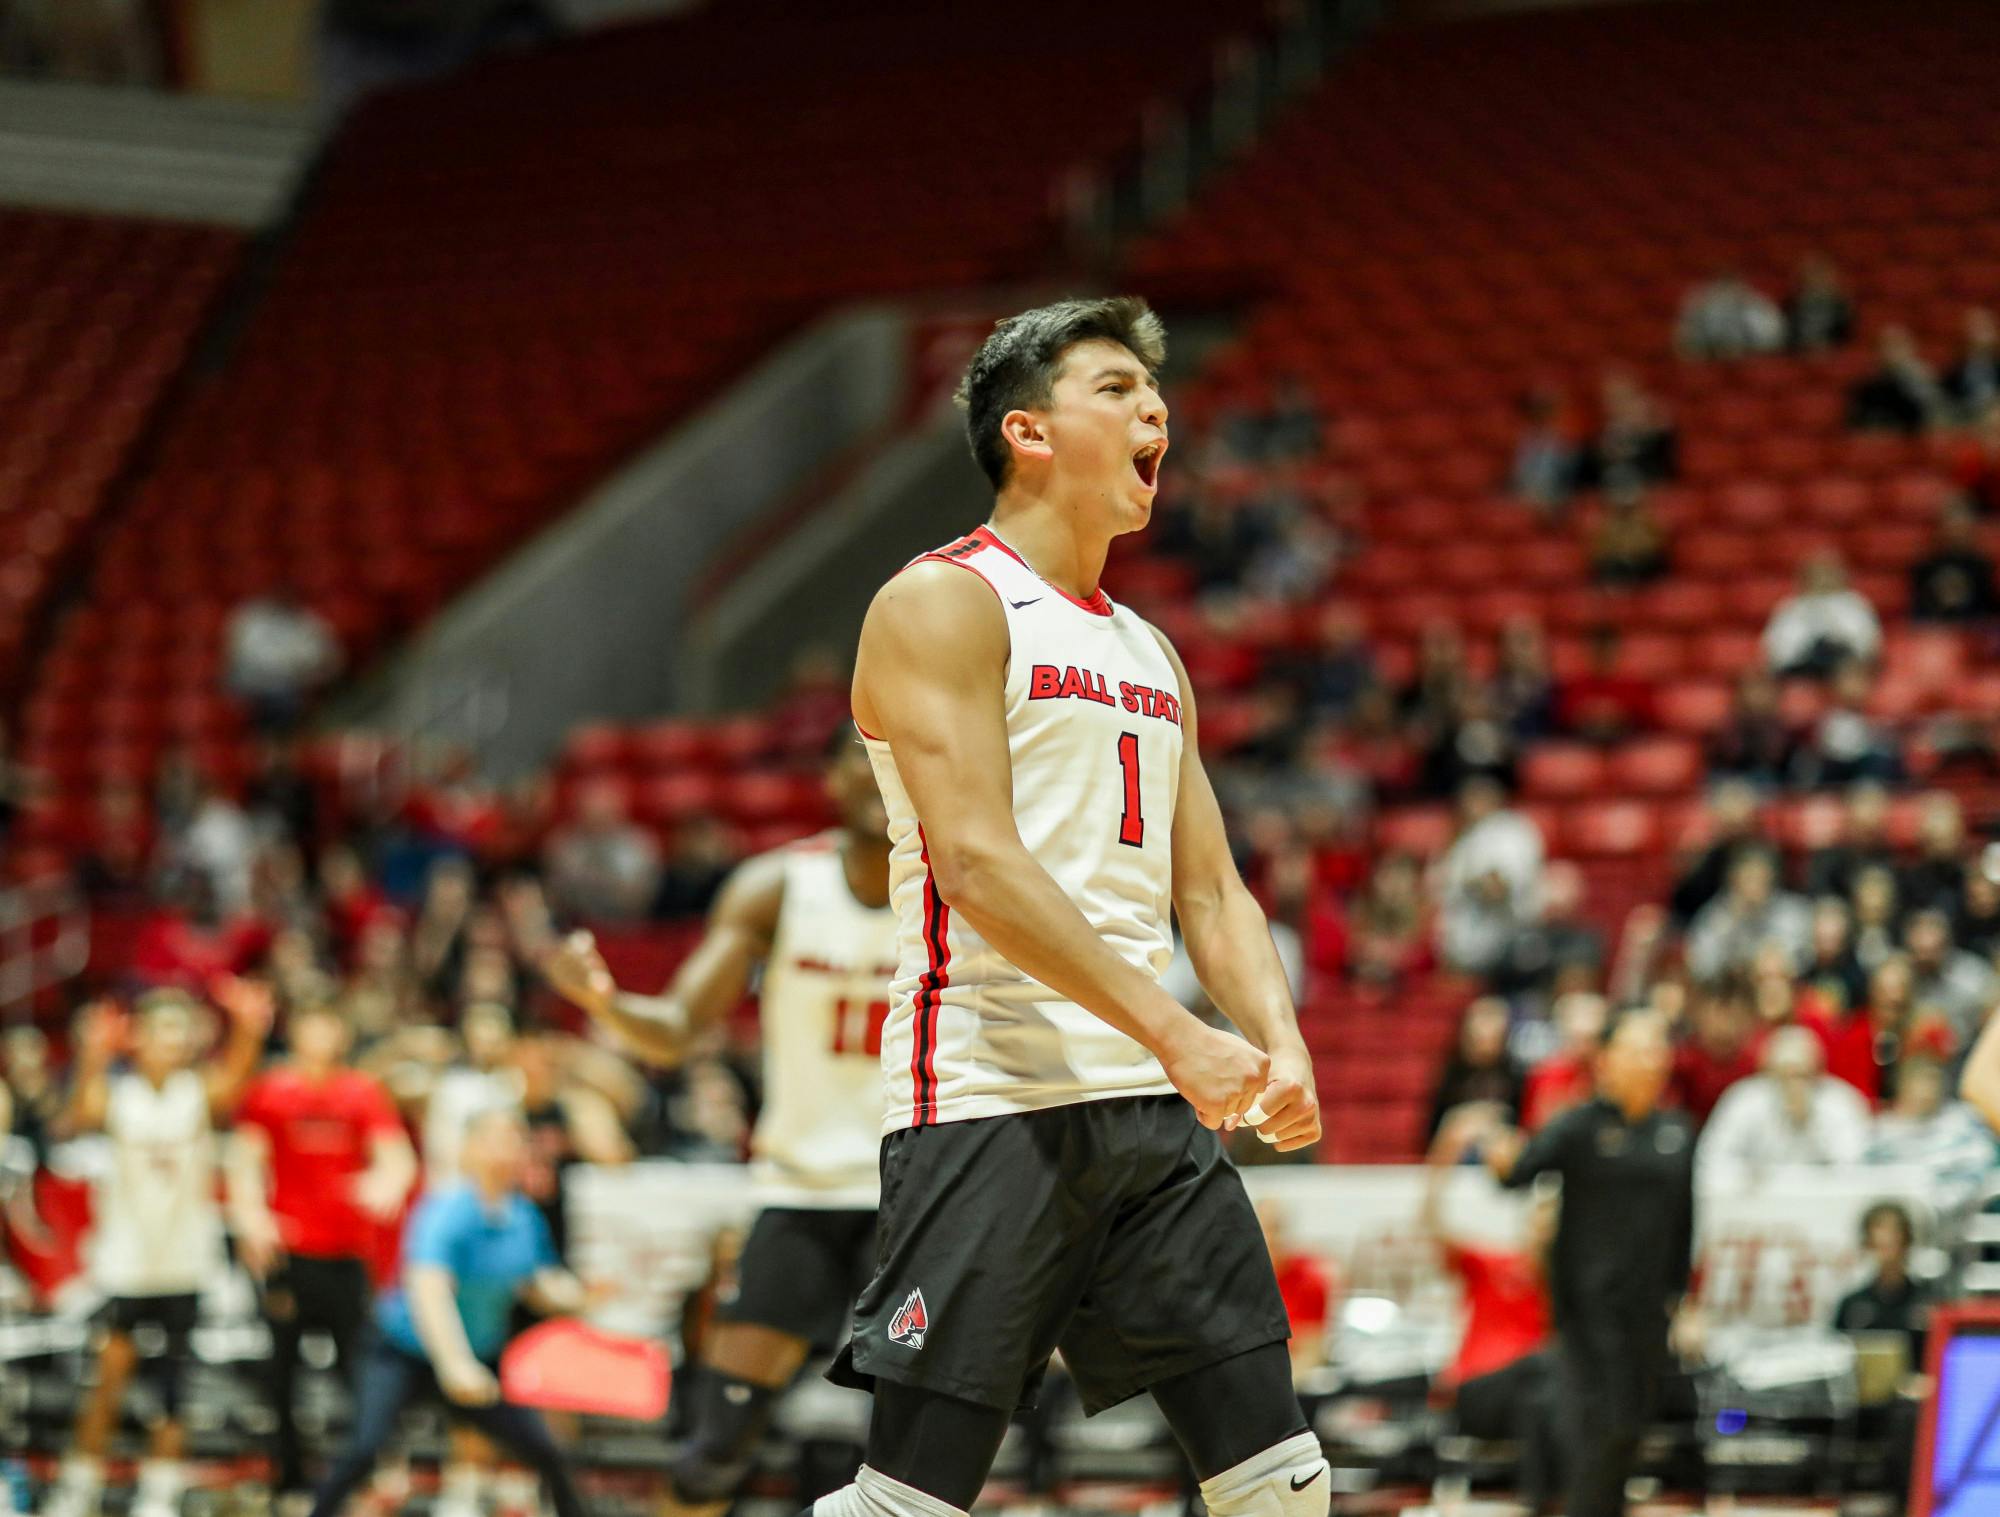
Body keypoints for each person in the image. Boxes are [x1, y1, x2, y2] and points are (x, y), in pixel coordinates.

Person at [816, 297, 1327, 1517]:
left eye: (1155, 390)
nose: (1156, 407)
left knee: (1284, 1485)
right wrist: (1177, 1028)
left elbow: (1208, 886)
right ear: (1027, 430)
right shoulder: (939, 600)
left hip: (1149, 1116)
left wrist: (1280, 1038)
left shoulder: (1151, 649)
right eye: (1116, 387)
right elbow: (979, 867)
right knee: (907, 1505)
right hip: (992, 1100)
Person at [543, 725, 898, 1517]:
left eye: (899, 755)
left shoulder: (962, 880)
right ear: (832, 777)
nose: (879, 773)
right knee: (717, 1442)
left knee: (923, 1455)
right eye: (862, 756)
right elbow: (675, 1023)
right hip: (800, 1188)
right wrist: (604, 1000)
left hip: (915, 1195)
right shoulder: (778, 885)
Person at [44, 982, 272, 1517]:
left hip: (184, 1264)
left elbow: (238, 1077)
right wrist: (93, 1055)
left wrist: (248, 1027)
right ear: (139, 1037)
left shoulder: (197, 1090)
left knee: (175, 1389)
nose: (174, 1039)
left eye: (181, 1028)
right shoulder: (120, 1094)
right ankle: (80, 1484)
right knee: (109, 1378)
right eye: (162, 1028)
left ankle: (161, 1490)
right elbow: (80, 1112)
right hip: (125, 1264)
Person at [304, 1106, 597, 1517]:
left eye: (515, 1138)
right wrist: (455, 1364)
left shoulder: (524, 1217)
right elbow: (428, 1289)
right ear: (470, 1149)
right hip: (402, 1352)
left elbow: (539, 1284)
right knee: (363, 1448)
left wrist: (582, 1296)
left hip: (479, 1359)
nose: (508, 1148)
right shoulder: (445, 1211)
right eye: (496, 1137)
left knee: (546, 1450)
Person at [1484, 1009, 1696, 1517]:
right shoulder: (1578, 1126)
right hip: (1586, 1314)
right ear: (1607, 1059)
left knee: (1631, 1430)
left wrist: (1686, 1300)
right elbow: (1517, 1174)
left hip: (1648, 1311)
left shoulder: (1679, 1132)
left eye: (1658, 1047)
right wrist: (1499, 1152)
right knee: (1598, 1432)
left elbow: (1686, 1221)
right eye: (1639, 1047)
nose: (1653, 1058)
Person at [226, 1001, 418, 1507]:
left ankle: (369, 1469)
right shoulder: (270, 1091)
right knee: (282, 1373)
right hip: (286, 1256)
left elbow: (396, 1156)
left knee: (358, 1369)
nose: (319, 1036)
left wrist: (386, 1182)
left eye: (328, 1026)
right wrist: (251, 1218)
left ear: (341, 1034)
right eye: (310, 1025)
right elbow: (243, 1162)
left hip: (345, 1256)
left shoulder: (362, 1092)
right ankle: (289, 1479)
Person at [1421, 1109, 1559, 1512]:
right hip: (1474, 1392)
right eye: (1539, 1222)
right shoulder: (1495, 1263)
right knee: (1546, 1367)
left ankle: (1540, 1504)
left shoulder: (1564, 1289)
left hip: (1530, 1401)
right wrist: (1445, 1153)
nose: (1542, 1232)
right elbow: (1432, 1227)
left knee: (1543, 1395)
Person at [1696, 1026, 1872, 1183]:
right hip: (1759, 1209)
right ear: (1768, 1073)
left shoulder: (1840, 1102)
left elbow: (1856, 1168)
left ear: (1818, 1072)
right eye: (1784, 1076)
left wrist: (1810, 1124)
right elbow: (1712, 1161)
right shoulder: (1744, 1101)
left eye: (1801, 1075)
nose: (1793, 1086)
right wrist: (1750, 1177)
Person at [1435, 776, 1544, 979]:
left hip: (1503, 953)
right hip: (1468, 953)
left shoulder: (1508, 832)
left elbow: (1498, 888)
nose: (1467, 806)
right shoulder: (1468, 836)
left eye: (1474, 798)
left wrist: (1468, 882)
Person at [223, 582, 342, 736]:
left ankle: (275, 741)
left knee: (284, 698)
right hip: (248, 680)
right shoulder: (250, 617)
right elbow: (240, 655)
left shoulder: (309, 623)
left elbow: (329, 659)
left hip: (290, 684)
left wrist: (302, 673)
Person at [542, 777, 663, 924]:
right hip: (575, 924)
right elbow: (555, 895)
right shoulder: (562, 845)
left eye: (604, 815)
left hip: (627, 926)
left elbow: (643, 897)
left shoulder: (640, 844)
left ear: (619, 813)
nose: (598, 823)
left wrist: (604, 885)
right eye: (592, 815)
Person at [1683, 845, 1811, 983]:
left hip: (1783, 986)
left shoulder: (1791, 911)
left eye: (1760, 878)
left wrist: (1779, 961)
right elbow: (1701, 965)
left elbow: (1805, 957)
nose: (1754, 886)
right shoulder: (1715, 916)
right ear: (1734, 880)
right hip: (1734, 991)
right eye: (1749, 879)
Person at [1761, 549, 1881, 677]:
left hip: (1844, 670)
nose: (1822, 579)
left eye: (1827, 573)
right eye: (1817, 574)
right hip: (1799, 671)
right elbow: (1776, 650)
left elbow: (1868, 646)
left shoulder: (1856, 604)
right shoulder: (1789, 607)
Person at [1426, 996, 1525, 1141]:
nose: (1486, 1046)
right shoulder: (1453, 1072)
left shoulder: (1514, 1073)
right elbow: (1434, 1127)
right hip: (1456, 1142)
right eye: (1480, 1039)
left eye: (1493, 1038)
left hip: (1498, 1142)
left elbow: (1521, 1123)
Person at [1911, 496, 1999, 624]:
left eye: (1961, 524)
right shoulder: (1926, 565)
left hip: (1973, 635)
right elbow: (1919, 613)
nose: (1956, 530)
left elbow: (1988, 613)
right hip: (1936, 634)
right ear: (1941, 527)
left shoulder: (1981, 566)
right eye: (1952, 524)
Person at [1846, 326, 1945, 435]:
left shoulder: (1926, 380)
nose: (1891, 352)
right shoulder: (1867, 387)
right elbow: (1860, 424)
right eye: (1886, 346)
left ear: (1911, 348)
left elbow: (1934, 416)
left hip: (1917, 440)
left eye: (1897, 346)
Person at [1675, 270, 1785, 360]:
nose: (1727, 293)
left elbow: (1771, 340)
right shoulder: (1698, 305)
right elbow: (1684, 343)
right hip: (1708, 360)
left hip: (1748, 359)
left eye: (1730, 286)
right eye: (1723, 287)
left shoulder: (1758, 306)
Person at [1784, 254, 1854, 354]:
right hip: (1799, 354)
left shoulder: (1841, 306)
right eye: (1814, 275)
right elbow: (1787, 334)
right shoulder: (1792, 303)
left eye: (1822, 276)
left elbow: (1847, 337)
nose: (1818, 280)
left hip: (1833, 355)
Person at [1944, 308, 2000, 422]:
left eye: (1985, 329)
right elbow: (1948, 398)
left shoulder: (1997, 367)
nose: (1979, 335)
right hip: (1965, 418)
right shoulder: (1953, 371)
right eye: (1974, 328)